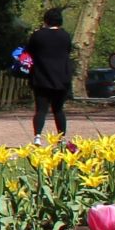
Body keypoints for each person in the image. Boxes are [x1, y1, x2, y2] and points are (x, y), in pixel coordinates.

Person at [22, 7, 74, 139]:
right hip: (62, 78)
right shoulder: (65, 36)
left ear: (46, 20)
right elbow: (68, 51)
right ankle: (61, 138)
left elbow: (28, 52)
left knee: (40, 110)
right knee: (58, 110)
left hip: (41, 77)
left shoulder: (38, 35)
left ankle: (38, 136)